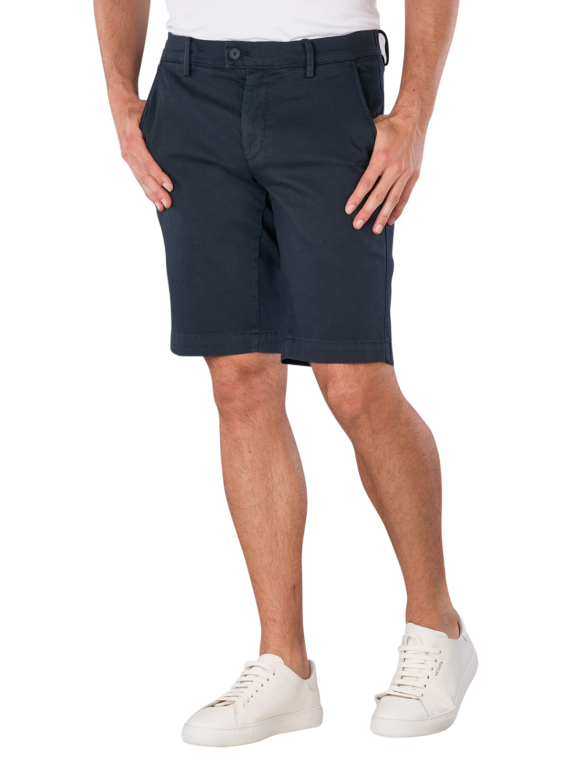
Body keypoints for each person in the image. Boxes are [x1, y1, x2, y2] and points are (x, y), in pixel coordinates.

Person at [94, 0, 477, 745]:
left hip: (329, 82)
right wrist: (120, 93)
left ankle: (438, 627)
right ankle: (284, 664)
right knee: (239, 380)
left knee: (353, 380)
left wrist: (413, 115)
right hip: (192, 86)